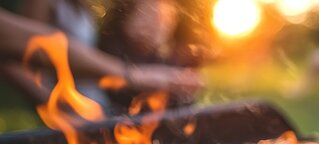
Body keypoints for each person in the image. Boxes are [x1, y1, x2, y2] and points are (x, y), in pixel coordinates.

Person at [0, 7, 203, 107]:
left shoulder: (87, 7)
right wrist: (60, 107)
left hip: (97, 106)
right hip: (71, 109)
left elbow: (90, 55)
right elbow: (26, 47)